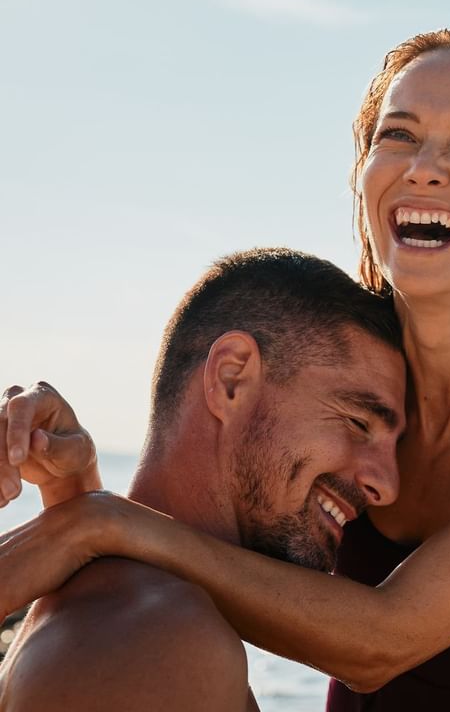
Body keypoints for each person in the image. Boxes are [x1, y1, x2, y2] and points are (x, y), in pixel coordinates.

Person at [0, 29, 450, 711]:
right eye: (398, 135)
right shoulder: (347, 370)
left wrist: (103, 523)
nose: (424, 167)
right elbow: (211, 508)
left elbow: (381, 643)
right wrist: (73, 489)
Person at [0, 248, 407, 711]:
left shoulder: (122, 610)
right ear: (232, 378)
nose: (387, 485)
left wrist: (77, 498)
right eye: (357, 422)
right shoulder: (160, 641)